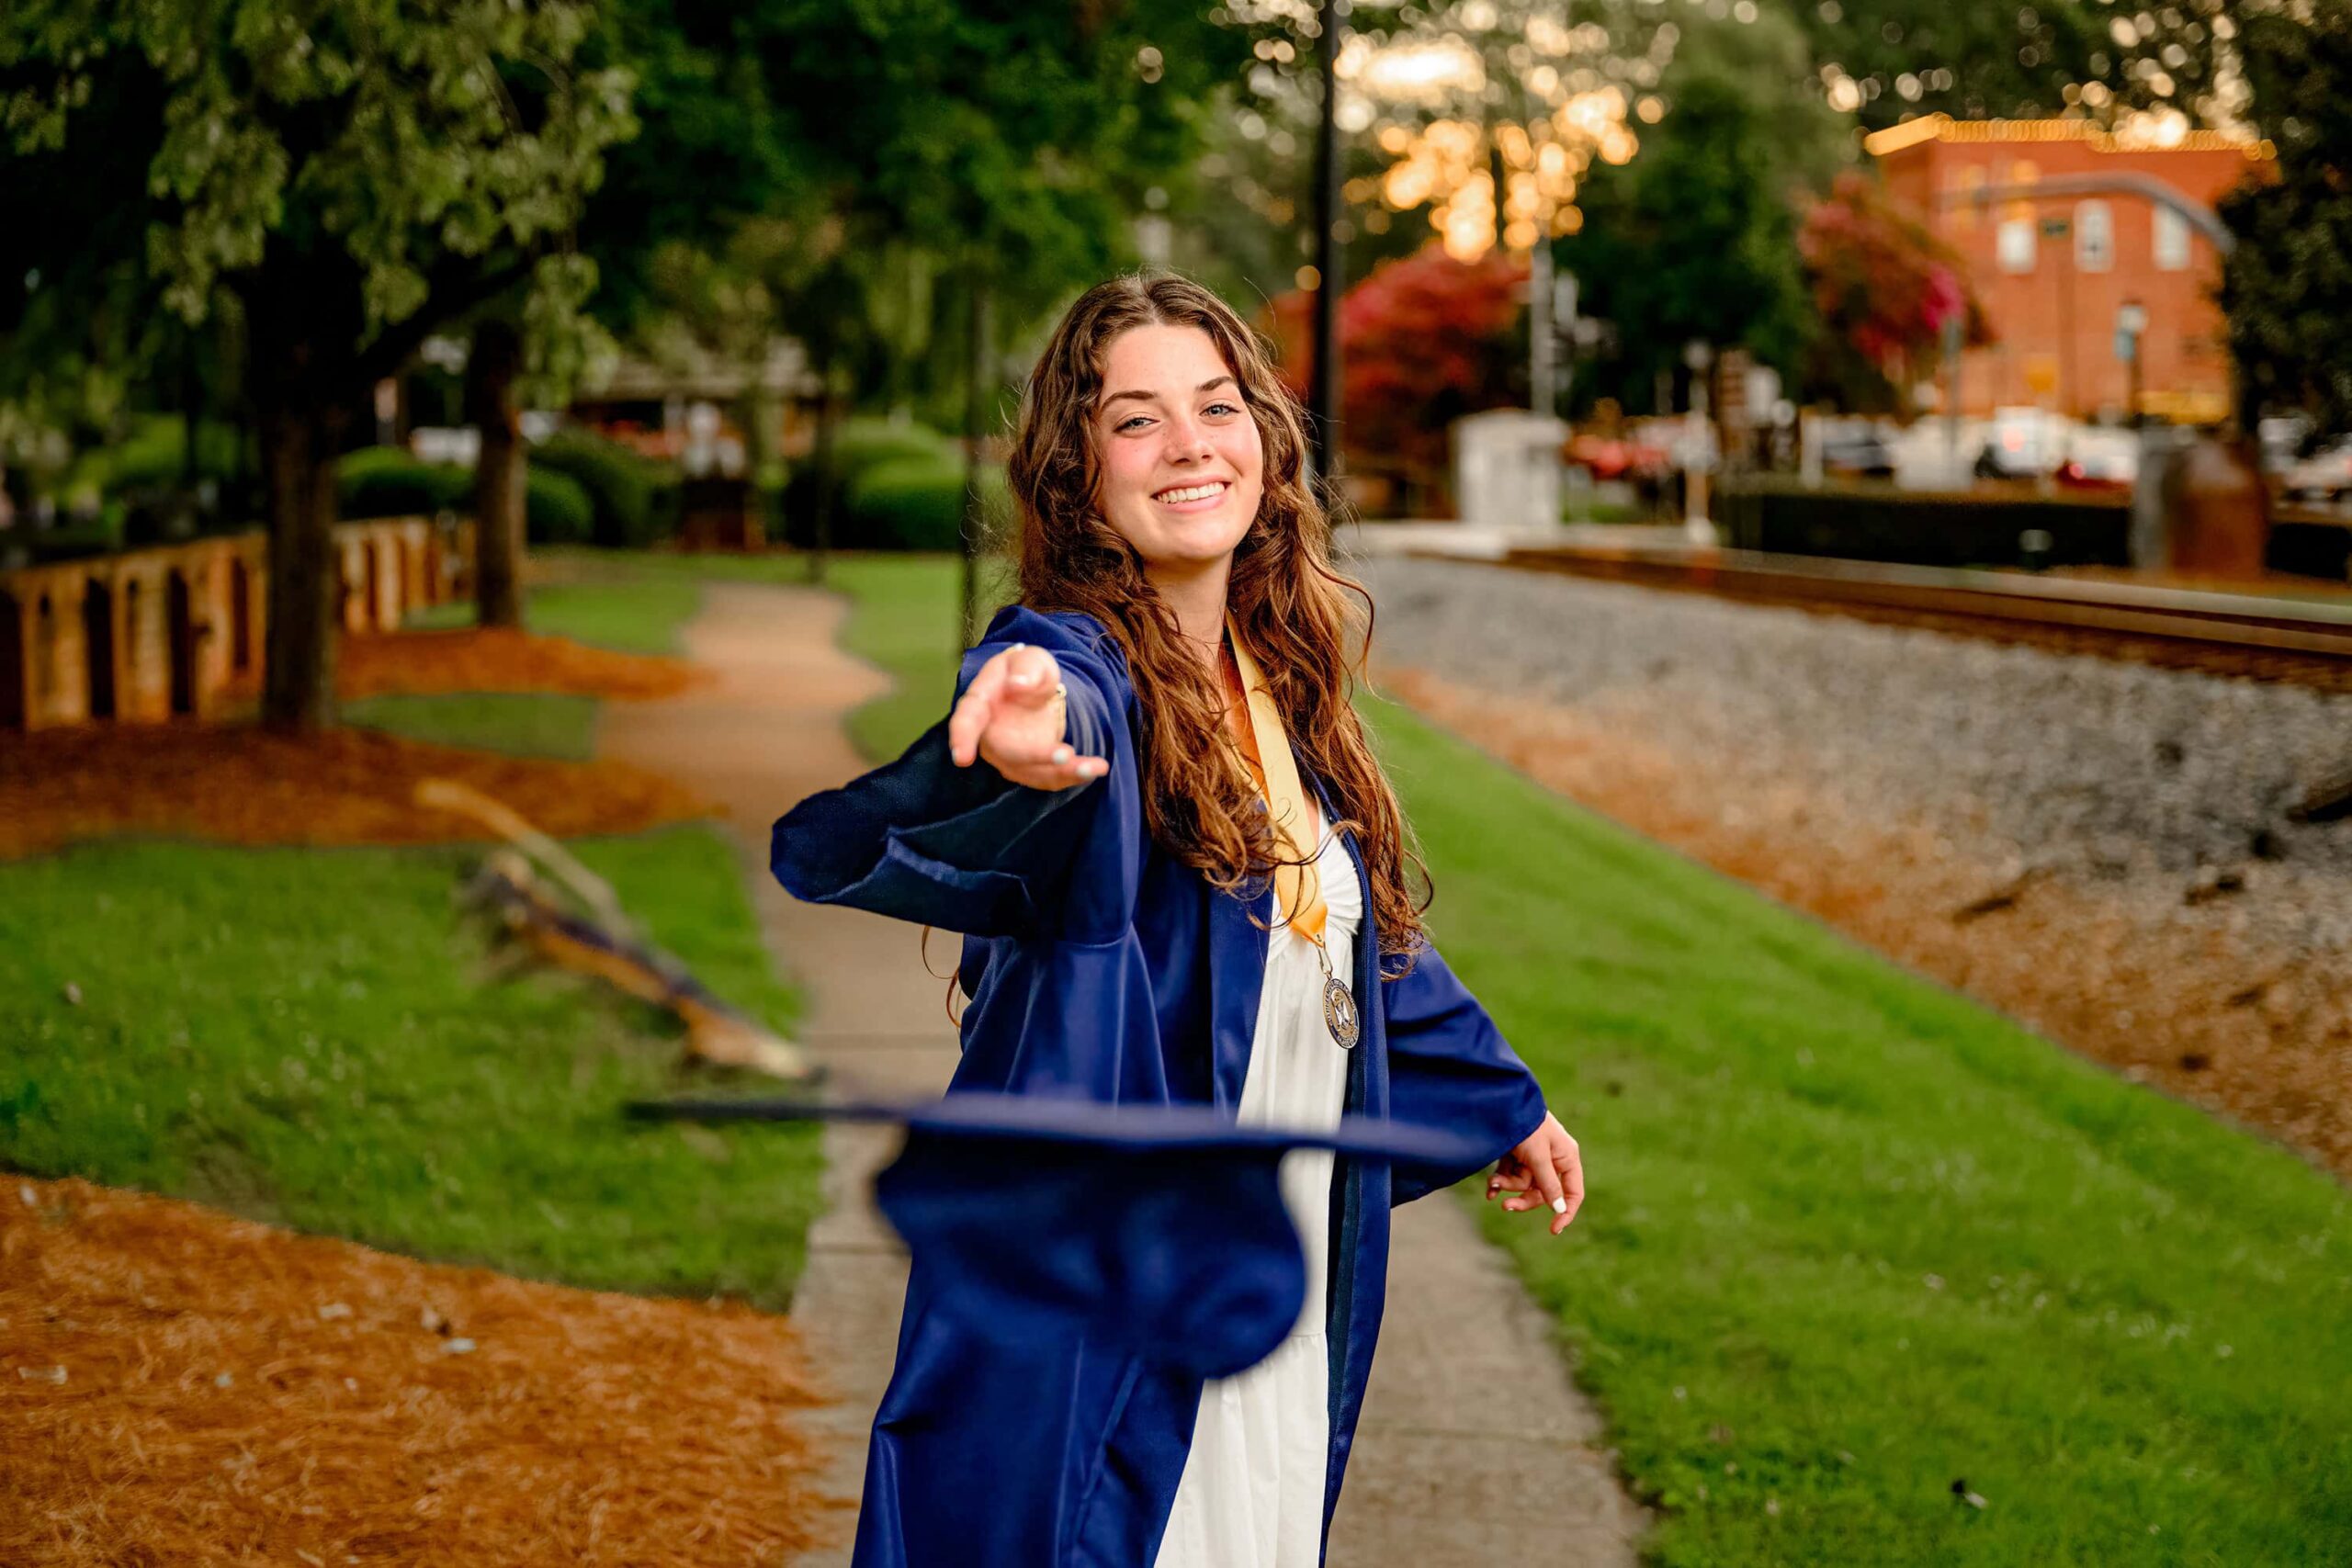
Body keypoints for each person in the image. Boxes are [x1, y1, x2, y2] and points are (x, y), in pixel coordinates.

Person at [769, 270, 1586, 1568]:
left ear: (1267, 434)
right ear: (1077, 472)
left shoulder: (1268, 684)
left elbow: (1347, 943)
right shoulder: (1088, 662)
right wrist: (1022, 712)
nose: (1192, 443)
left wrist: (1504, 1099)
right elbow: (1052, 691)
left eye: (1217, 404)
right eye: (1137, 420)